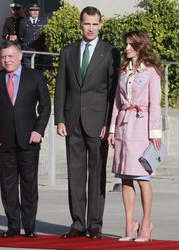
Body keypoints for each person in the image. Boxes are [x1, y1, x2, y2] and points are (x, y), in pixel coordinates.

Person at [54, 6, 120, 238]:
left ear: (101, 25)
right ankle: (78, 223)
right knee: (75, 174)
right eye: (86, 23)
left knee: (97, 173)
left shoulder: (110, 52)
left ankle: (94, 224)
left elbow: (112, 92)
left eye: (94, 24)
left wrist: (108, 122)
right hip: (72, 121)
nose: (90, 28)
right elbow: (61, 86)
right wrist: (59, 118)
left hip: (97, 123)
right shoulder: (68, 51)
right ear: (80, 24)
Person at [0, 40, 51, 238]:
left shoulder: (35, 77)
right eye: (3, 57)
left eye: (10, 56)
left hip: (29, 140)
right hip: (3, 141)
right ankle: (13, 226)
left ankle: (30, 227)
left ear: (20, 56)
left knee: (29, 185)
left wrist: (39, 130)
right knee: (8, 186)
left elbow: (45, 106)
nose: (7, 60)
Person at [108, 30, 163, 242]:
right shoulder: (123, 71)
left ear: (141, 46)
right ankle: (130, 223)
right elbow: (116, 102)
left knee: (142, 178)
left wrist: (154, 134)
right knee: (125, 178)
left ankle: (146, 223)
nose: (127, 48)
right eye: (126, 44)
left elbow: (155, 105)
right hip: (123, 127)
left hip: (142, 129)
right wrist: (112, 128)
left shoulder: (151, 72)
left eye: (131, 45)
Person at [19, 4, 46, 69]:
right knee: (28, 72)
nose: (35, 12)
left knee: (38, 73)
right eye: (33, 10)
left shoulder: (43, 22)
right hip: (27, 52)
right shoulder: (23, 22)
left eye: (37, 10)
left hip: (39, 52)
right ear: (29, 11)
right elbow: (21, 37)